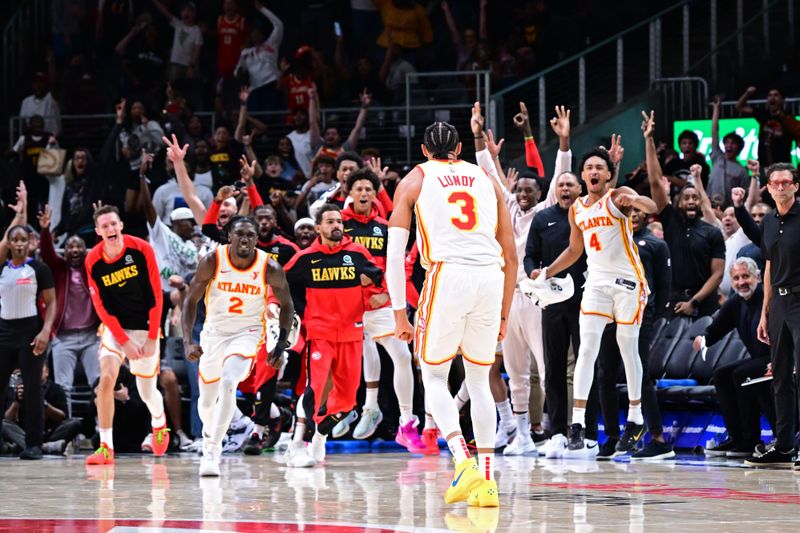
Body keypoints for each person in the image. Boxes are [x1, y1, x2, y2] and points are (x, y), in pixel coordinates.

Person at [385, 118, 517, 508]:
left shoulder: (414, 179)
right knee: (478, 381)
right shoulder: (487, 179)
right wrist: (505, 313)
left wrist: (398, 314)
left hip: (448, 275)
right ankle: (488, 482)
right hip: (490, 279)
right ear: (459, 150)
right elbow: (510, 253)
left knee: (434, 375)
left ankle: (463, 463)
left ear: (424, 151)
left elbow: (394, 255)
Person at [530, 120, 658, 456]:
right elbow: (574, 251)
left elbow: (652, 205)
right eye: (588, 167)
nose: (593, 171)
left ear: (608, 174)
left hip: (629, 281)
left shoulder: (618, 197)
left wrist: (641, 200)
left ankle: (635, 416)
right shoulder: (577, 209)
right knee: (586, 349)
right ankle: (577, 423)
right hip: (597, 282)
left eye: (600, 167)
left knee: (626, 347)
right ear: (583, 176)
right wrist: (546, 273)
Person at [181, 214, 294, 476]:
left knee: (229, 382)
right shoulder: (213, 260)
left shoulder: (269, 266)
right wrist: (188, 341)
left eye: (250, 235)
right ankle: (211, 433)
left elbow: (287, 305)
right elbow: (190, 300)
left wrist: (280, 346)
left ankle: (213, 449)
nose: (245, 239)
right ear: (229, 236)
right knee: (207, 401)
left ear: (257, 239)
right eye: (240, 234)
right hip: (214, 333)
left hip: (248, 333)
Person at [283, 204, 384, 468]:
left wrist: (380, 293)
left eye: (339, 221)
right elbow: (281, 285)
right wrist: (287, 314)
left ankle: (320, 435)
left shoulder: (357, 253)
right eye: (330, 222)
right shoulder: (305, 258)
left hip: (352, 334)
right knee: (315, 390)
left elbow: (379, 278)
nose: (336, 226)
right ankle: (297, 445)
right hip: (320, 334)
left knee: (349, 403)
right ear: (318, 228)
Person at [337, 168, 426, 452]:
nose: (364, 193)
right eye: (358, 189)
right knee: (351, 355)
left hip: (379, 302)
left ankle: (406, 420)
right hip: (349, 304)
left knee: (401, 355)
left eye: (368, 189)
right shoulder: (338, 223)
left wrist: (386, 291)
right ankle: (359, 408)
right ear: (348, 193)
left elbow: (395, 262)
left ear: (375, 194)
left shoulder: (384, 226)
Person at [472, 102, 543, 456]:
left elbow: (561, 175)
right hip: (503, 295)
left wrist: (556, 143)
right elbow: (493, 178)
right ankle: (522, 435)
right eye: (520, 190)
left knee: (543, 369)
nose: (523, 193)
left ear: (540, 194)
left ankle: (552, 430)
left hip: (534, 295)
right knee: (511, 370)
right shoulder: (508, 207)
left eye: (530, 189)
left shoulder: (546, 214)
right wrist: (477, 138)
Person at [84, 205, 169, 465]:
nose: (110, 229)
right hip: (115, 327)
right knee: (106, 379)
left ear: (121, 225)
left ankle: (159, 423)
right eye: (104, 226)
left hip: (145, 326)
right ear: (98, 232)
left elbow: (157, 295)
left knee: (146, 392)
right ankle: (106, 447)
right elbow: (101, 307)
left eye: (113, 224)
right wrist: (123, 340)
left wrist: (153, 336)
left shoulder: (142, 249)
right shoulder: (93, 260)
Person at [596, 205, 673, 461]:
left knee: (640, 375)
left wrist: (651, 313)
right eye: (627, 210)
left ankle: (659, 439)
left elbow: (663, 287)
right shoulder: (610, 240)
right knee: (604, 373)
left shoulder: (654, 244)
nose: (632, 214)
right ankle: (613, 437)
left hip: (640, 316)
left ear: (645, 215)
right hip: (609, 314)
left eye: (637, 210)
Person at [644, 111, 725, 319]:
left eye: (695, 197)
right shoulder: (671, 221)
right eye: (686, 197)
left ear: (701, 202)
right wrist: (649, 140)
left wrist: (694, 301)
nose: (690, 200)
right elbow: (655, 180)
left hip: (705, 304)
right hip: (672, 301)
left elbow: (717, 274)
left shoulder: (712, 232)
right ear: (679, 202)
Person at [748, 163, 800, 467]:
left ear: (795, 186)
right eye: (775, 183)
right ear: (767, 187)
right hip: (778, 304)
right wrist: (764, 313)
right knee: (780, 376)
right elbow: (768, 267)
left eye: (786, 183)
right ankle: (783, 446)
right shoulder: (767, 222)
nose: (780, 187)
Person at [696, 258, 773, 458]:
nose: (741, 282)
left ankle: (750, 439)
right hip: (758, 359)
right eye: (736, 278)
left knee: (741, 373)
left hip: (777, 359)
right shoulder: (735, 303)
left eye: (746, 276)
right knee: (722, 374)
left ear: (757, 276)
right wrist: (703, 339)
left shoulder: (768, 299)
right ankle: (736, 437)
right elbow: (716, 328)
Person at [0, 195, 57, 460]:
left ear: (30, 243)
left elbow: (52, 303)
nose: (20, 244)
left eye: (24, 239)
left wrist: (45, 331)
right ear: (9, 243)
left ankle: (34, 443)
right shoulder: (1, 267)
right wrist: (20, 211)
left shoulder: (39, 268)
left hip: (30, 332)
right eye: (15, 239)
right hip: (4, 332)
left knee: (32, 388)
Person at [38, 207, 100, 392]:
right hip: (64, 337)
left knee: (99, 384)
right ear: (64, 252)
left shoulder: (91, 268)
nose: (74, 250)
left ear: (85, 250)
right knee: (62, 387)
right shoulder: (58, 269)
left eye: (78, 246)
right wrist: (44, 231)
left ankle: (99, 422)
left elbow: (99, 250)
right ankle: (66, 421)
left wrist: (98, 226)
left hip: (92, 336)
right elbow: (48, 253)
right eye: (70, 247)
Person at [3, 365, 82, 456]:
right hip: (26, 433)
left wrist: (44, 404)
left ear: (47, 372)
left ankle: (30, 447)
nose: (36, 371)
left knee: (75, 423)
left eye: (40, 368)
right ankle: (43, 447)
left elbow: (62, 416)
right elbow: (8, 418)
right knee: (4, 425)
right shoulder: (20, 388)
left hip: (51, 433)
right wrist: (17, 401)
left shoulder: (55, 388)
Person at [235, 1, 283, 111]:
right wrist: (239, 73)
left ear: (262, 34)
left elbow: (279, 25)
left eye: (258, 32)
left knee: (270, 117)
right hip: (254, 88)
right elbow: (237, 71)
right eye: (253, 33)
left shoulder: (271, 44)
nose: (255, 34)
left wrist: (262, 9)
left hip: (270, 84)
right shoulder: (245, 52)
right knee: (255, 118)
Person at [736, 86, 800, 167]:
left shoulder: (788, 118)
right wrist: (747, 93)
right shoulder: (763, 114)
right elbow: (739, 107)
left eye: (776, 95)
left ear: (782, 100)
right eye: (770, 95)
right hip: (764, 165)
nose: (772, 97)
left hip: (783, 165)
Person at [708, 96, 749, 208]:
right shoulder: (717, 157)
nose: (729, 145)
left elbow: (744, 195)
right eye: (727, 142)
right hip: (710, 206)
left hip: (729, 211)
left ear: (739, 148)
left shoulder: (742, 171)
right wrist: (716, 108)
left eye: (733, 143)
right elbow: (714, 130)